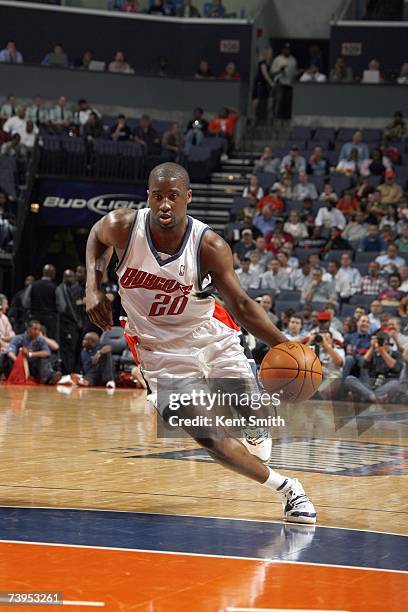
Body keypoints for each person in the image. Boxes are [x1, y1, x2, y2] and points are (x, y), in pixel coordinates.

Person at [85, 161, 316, 524]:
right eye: (157, 196)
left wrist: (283, 344)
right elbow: (96, 238)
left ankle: (256, 423)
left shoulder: (208, 245)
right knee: (207, 434)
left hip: (209, 336)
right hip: (158, 351)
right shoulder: (123, 227)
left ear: (187, 198)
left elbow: (240, 303)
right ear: (148, 197)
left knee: (253, 410)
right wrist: (93, 286)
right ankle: (290, 490)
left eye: (173, 196)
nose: (164, 204)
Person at [344, 333, 404, 404]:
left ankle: (365, 396)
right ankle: (373, 398)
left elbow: (396, 368)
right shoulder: (372, 353)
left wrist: (382, 351)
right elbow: (362, 364)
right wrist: (372, 347)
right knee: (349, 379)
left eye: (382, 342)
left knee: (396, 384)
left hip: (385, 386)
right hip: (370, 385)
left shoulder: (396, 354)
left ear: (387, 343)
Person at [4, 320, 61, 384]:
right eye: (35, 329)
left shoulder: (41, 340)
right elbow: (9, 352)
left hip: (33, 367)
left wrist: (31, 354)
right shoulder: (18, 338)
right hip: (18, 366)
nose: (37, 332)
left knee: (43, 359)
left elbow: (47, 352)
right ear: (28, 329)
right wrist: (19, 362)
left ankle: (50, 378)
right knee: (4, 357)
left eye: (39, 330)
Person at [22, 264, 58, 341]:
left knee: (32, 340)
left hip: (34, 317)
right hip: (50, 319)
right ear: (52, 273)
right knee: (49, 342)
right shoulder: (55, 287)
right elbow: (62, 306)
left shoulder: (33, 285)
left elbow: (25, 303)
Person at [56, 269, 80, 374]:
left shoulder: (72, 289)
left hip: (71, 324)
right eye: (69, 277)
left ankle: (71, 370)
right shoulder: (62, 289)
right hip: (67, 324)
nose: (72, 279)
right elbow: (65, 308)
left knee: (72, 348)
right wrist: (77, 320)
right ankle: (68, 371)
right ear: (64, 277)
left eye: (72, 276)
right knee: (68, 348)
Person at [251, 48, 274, 122]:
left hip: (264, 84)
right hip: (260, 82)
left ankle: (263, 115)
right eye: (269, 54)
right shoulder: (262, 63)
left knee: (265, 99)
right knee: (257, 98)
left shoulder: (267, 63)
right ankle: (253, 115)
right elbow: (264, 73)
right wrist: (271, 82)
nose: (270, 55)